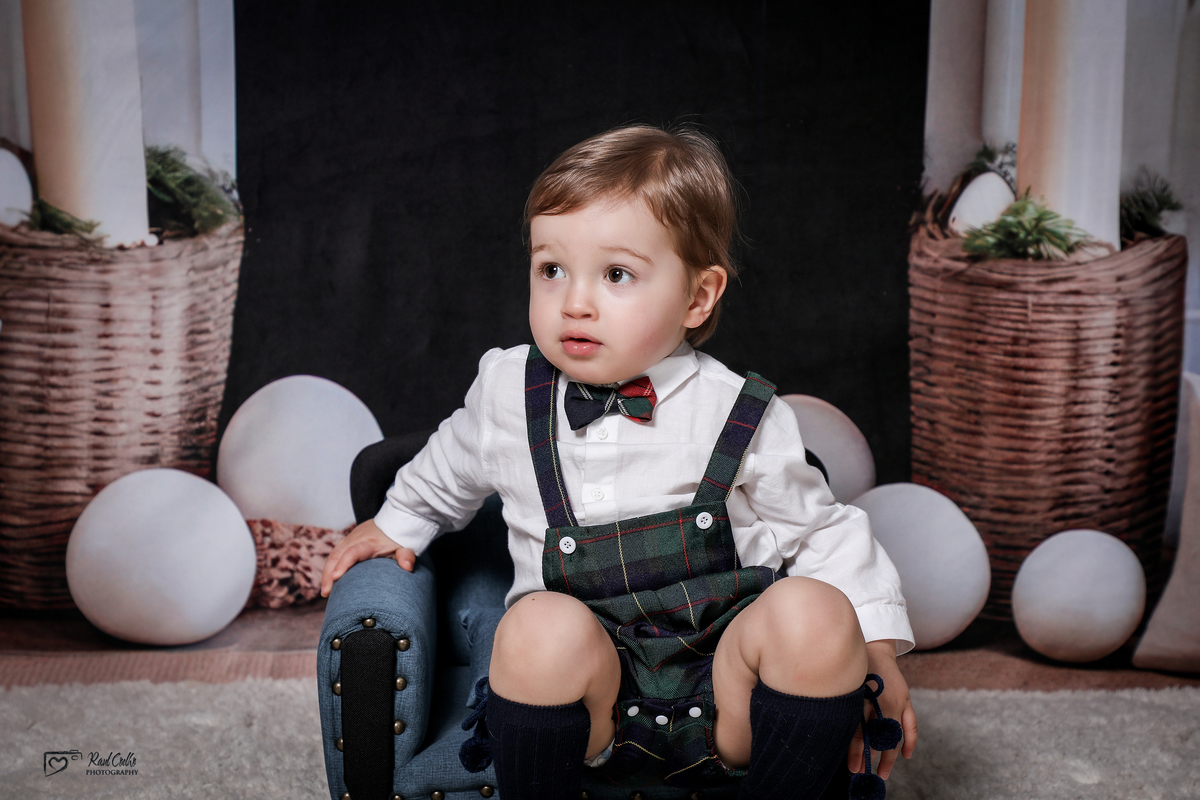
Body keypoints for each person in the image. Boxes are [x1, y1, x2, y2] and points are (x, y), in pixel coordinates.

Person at [320, 124, 917, 800]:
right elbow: (447, 468)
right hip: (586, 704)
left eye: (616, 275)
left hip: (726, 695)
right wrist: (397, 523)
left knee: (815, 610)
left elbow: (824, 534)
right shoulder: (510, 392)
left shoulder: (737, 411)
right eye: (552, 270)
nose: (575, 302)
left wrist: (876, 652)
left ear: (697, 297)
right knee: (536, 626)